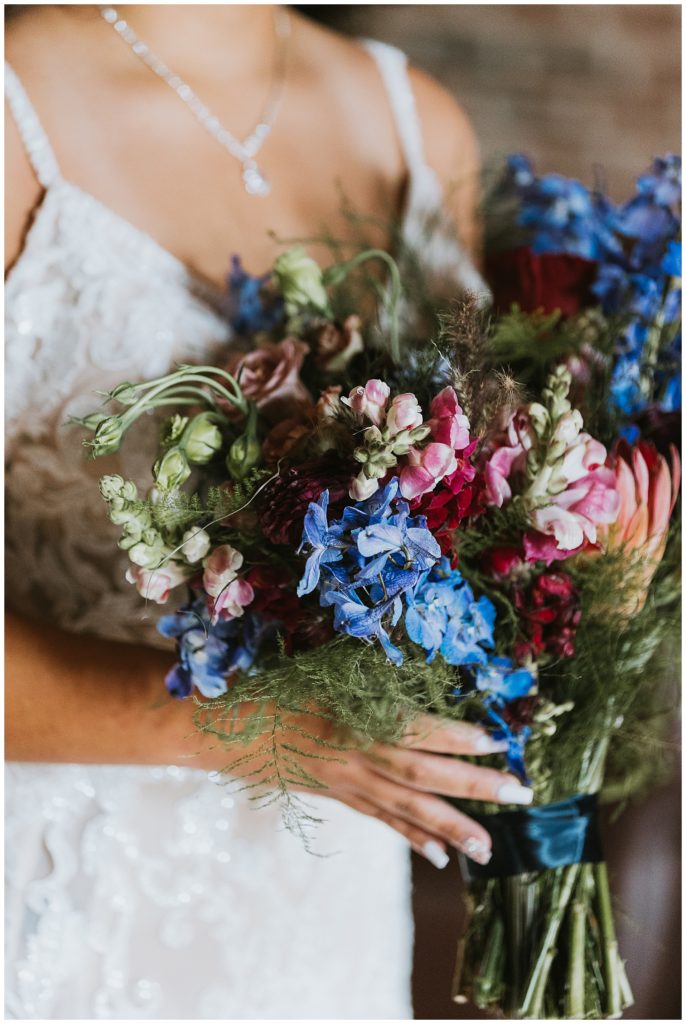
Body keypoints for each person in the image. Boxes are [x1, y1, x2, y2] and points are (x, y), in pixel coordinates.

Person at [5, 5, 534, 1018]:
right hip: (69, 918)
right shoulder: (15, 106)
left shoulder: (416, 122)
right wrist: (239, 721)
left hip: (324, 924)